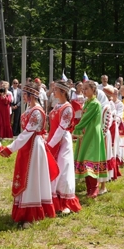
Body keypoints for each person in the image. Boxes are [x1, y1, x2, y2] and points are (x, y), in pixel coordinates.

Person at [0, 81, 57, 227]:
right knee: (27, 175)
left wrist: (10, 148)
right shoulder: (30, 109)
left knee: (32, 177)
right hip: (28, 144)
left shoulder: (37, 111)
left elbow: (27, 133)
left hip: (34, 146)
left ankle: (32, 213)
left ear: (32, 95)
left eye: (25, 94)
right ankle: (26, 210)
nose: (23, 96)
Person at [48, 81, 81, 213]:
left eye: (56, 89)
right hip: (54, 138)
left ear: (62, 92)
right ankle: (54, 198)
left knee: (64, 168)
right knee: (55, 167)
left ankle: (65, 202)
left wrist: (50, 144)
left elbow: (62, 128)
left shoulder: (67, 107)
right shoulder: (57, 105)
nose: (53, 91)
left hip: (62, 141)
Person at [73, 80, 108, 198]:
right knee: (85, 159)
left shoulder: (95, 103)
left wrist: (75, 129)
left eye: (86, 88)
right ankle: (89, 188)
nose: (84, 91)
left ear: (93, 89)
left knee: (91, 158)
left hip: (92, 134)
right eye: (83, 89)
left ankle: (94, 188)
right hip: (85, 133)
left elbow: (85, 119)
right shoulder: (87, 102)